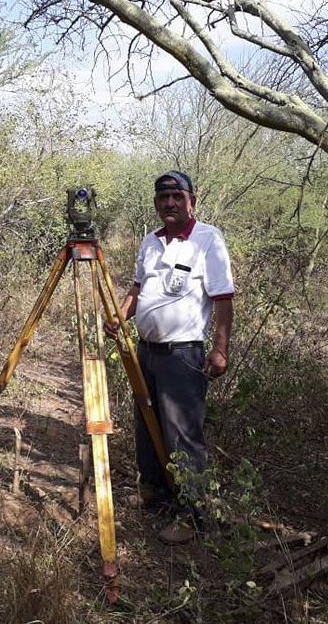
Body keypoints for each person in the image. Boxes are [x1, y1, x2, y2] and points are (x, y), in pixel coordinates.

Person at [106, 170, 234, 544]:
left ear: (191, 199)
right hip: (145, 351)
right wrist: (121, 315)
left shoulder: (208, 239)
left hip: (183, 354)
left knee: (183, 434)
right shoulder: (150, 241)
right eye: (163, 197)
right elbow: (137, 287)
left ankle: (191, 513)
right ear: (156, 203)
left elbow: (224, 299)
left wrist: (221, 348)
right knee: (146, 423)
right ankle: (155, 491)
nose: (170, 203)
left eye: (177, 196)